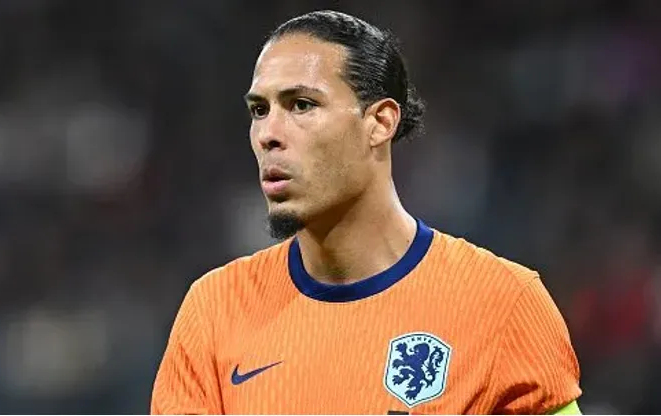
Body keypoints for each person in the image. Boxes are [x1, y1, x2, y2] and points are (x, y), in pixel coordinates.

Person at [151, 10, 581, 415]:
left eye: (301, 104)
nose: (268, 134)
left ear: (380, 122)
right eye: (259, 110)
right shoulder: (213, 311)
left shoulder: (505, 305)